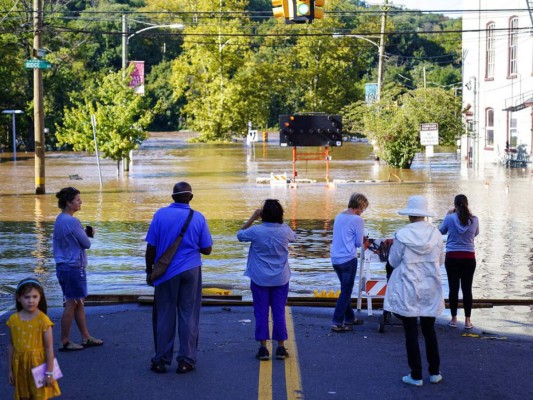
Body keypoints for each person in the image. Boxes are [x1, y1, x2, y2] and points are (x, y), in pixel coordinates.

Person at [145, 182, 213, 374]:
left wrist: (149, 270)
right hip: (191, 271)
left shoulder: (160, 215)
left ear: (173, 197)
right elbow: (207, 249)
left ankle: (160, 360)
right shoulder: (198, 218)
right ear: (190, 198)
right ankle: (186, 360)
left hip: (165, 273)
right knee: (189, 314)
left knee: (165, 315)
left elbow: (151, 247)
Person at [384, 195, 445, 386]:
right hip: (430, 287)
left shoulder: (402, 235)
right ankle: (434, 372)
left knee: (410, 331)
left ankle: (416, 375)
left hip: (408, 286)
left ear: (410, 215)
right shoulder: (436, 234)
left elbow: (393, 262)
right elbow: (441, 261)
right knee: (429, 330)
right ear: (425, 215)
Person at [237, 199, 296, 361]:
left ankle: (263, 348)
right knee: (279, 311)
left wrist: (252, 217)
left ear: (263, 214)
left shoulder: (255, 231)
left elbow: (240, 235)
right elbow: (294, 238)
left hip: (259, 278)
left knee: (261, 312)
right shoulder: (285, 230)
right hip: (281, 279)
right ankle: (281, 347)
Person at [53, 187, 103, 351]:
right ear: (68, 203)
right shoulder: (72, 221)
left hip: (63, 266)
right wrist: (89, 233)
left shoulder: (60, 219)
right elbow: (86, 244)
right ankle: (65, 341)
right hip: (73, 266)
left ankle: (86, 337)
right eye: (77, 200)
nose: (80, 202)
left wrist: (83, 233)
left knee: (78, 302)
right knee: (72, 303)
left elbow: (70, 240)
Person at [6, 278, 61, 400]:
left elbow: (49, 348)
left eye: (34, 296)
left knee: (39, 396)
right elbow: (11, 345)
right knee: (24, 396)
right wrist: (10, 370)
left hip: (39, 365)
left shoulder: (43, 320)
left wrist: (50, 372)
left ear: (40, 297)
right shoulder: (13, 320)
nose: (31, 300)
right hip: (20, 366)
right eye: (27, 297)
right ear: (19, 298)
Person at [439, 194, 479, 329]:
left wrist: (447, 214)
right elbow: (476, 233)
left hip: (452, 258)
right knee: (467, 289)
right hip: (469, 258)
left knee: (453, 288)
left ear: (455, 206)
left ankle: (454, 319)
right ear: (467, 204)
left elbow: (440, 231)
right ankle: (468, 321)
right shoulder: (474, 219)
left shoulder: (450, 218)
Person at [330, 193, 369, 332]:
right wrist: (364, 239)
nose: (362, 212)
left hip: (335, 258)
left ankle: (350, 317)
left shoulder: (339, 216)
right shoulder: (357, 220)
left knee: (344, 290)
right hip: (348, 259)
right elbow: (358, 243)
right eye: (363, 209)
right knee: (346, 291)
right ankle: (337, 322)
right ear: (359, 206)